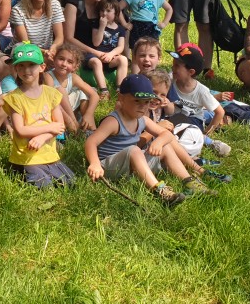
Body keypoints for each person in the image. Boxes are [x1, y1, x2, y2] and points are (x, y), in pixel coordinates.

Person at [83, 74, 200, 207]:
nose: (142, 106)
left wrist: (159, 142)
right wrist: (94, 163)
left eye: (146, 102)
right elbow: (91, 142)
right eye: (136, 101)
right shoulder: (114, 121)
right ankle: (159, 190)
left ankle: (189, 182)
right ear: (121, 98)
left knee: (165, 146)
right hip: (109, 167)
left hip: (130, 165)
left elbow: (167, 135)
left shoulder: (142, 119)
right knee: (135, 150)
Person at [2, 43, 75, 189]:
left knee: (70, 182)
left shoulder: (51, 94)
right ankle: (18, 171)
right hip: (27, 157)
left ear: (42, 67)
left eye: (31, 65)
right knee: (44, 186)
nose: (26, 70)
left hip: (49, 154)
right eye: (21, 66)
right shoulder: (15, 98)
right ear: (15, 68)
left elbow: (60, 125)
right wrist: (49, 127)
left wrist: (42, 137)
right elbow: (20, 130)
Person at [62, 0, 125, 97]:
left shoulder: (103, 7)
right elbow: (68, 38)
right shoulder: (74, 3)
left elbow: (117, 18)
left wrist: (111, 53)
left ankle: (120, 90)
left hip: (100, 50)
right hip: (77, 49)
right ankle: (103, 91)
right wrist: (96, 53)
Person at [167, 43, 225, 136]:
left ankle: (206, 140)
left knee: (176, 124)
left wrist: (207, 132)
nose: (172, 68)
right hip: (174, 117)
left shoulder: (201, 91)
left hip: (193, 122)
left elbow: (220, 112)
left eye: (177, 65)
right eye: (173, 64)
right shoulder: (170, 79)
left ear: (191, 72)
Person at [10, 0, 65, 64]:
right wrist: (45, 52)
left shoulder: (55, 5)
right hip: (24, 51)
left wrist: (54, 47)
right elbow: (25, 42)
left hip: (47, 51)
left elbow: (59, 37)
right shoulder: (17, 10)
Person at [44, 44, 99, 133]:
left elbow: (94, 95)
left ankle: (91, 129)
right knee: (60, 90)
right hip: (54, 110)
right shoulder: (48, 76)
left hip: (68, 109)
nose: (64, 64)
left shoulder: (73, 77)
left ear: (75, 67)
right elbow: (52, 103)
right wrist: (71, 121)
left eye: (70, 62)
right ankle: (75, 127)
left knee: (84, 92)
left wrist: (89, 114)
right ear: (54, 59)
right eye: (61, 59)